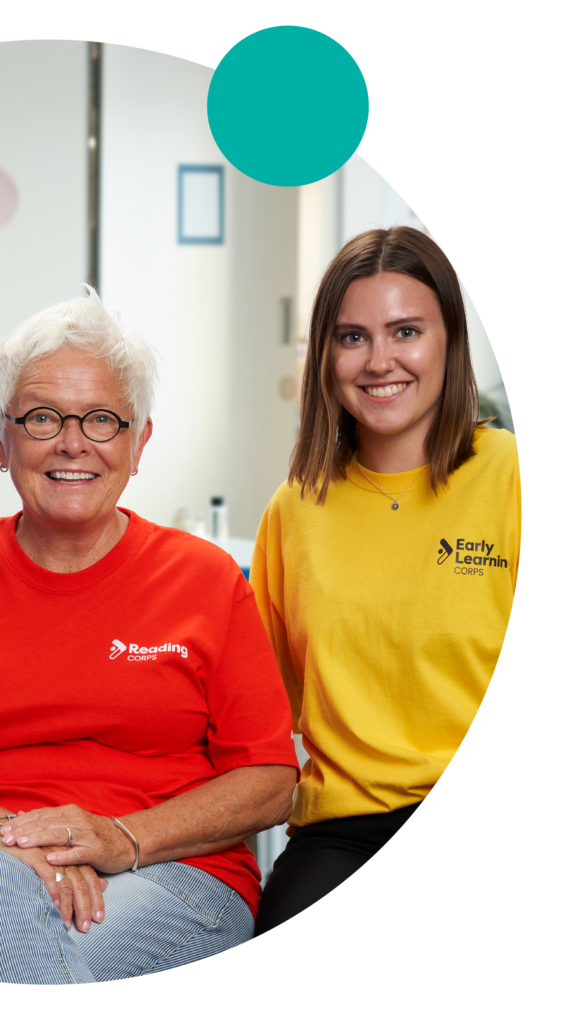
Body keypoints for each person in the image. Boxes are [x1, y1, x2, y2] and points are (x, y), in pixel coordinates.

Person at [0, 288, 300, 983]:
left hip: (170, 873)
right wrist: (8, 840)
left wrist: (125, 837)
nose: (72, 443)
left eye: (101, 420)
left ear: (138, 440)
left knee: (30, 957)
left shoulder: (205, 580)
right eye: (40, 418)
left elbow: (269, 781)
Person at [250, 227, 520, 935]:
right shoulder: (295, 509)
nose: (379, 362)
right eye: (351, 338)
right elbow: (259, 713)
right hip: (348, 829)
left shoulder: (510, 478)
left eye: (406, 331)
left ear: (449, 341)